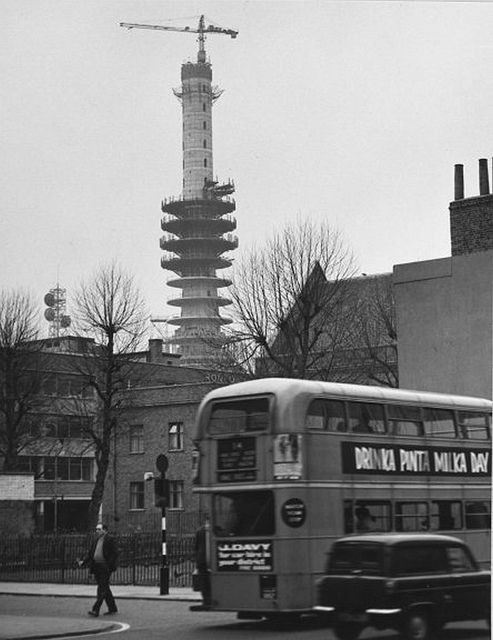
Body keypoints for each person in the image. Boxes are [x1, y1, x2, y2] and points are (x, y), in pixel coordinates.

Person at [81, 523, 119, 617]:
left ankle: (95, 609)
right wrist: (83, 562)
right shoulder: (96, 540)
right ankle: (112, 608)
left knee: (101, 588)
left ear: (105, 530)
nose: (97, 531)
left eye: (99, 529)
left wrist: (108, 565)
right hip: (96, 566)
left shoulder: (110, 539)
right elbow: (91, 554)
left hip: (105, 567)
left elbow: (115, 553)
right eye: (96, 529)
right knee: (105, 587)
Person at [190, 518, 211, 612]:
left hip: (202, 559)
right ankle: (209, 598)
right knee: (207, 580)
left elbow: (196, 546)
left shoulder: (199, 531)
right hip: (208, 559)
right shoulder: (215, 530)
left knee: (204, 580)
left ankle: (206, 599)